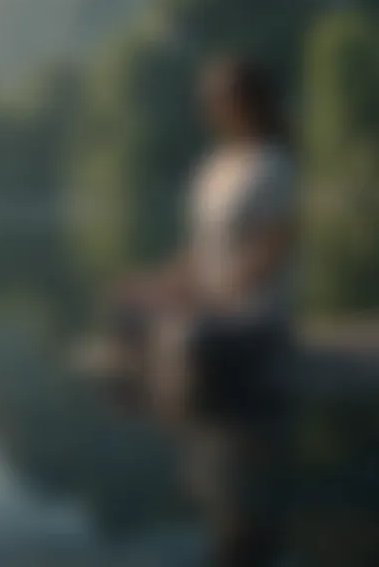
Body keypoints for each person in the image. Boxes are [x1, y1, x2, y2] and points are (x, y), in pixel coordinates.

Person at [114, 56, 297, 566]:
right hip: (210, 303)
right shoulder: (214, 169)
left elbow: (273, 248)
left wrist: (216, 295)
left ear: (245, 102)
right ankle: (171, 420)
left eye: (217, 97)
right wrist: (157, 284)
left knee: (191, 340)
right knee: (128, 312)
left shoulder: (274, 165)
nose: (209, 107)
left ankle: (210, 435)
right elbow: (198, 253)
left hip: (255, 313)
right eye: (207, 99)